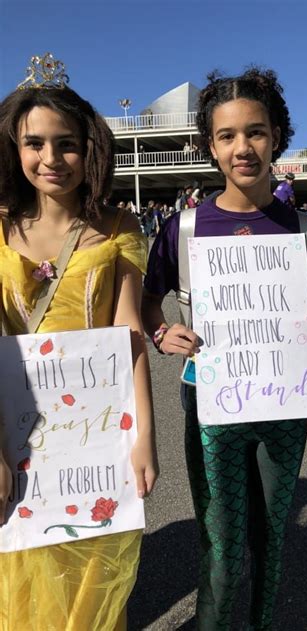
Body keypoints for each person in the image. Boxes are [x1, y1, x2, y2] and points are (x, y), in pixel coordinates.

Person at [142, 67, 307, 631]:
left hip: (283, 407)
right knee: (224, 547)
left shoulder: (303, 230)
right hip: (212, 405)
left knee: (268, 540)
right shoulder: (182, 228)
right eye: (227, 136)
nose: (242, 147)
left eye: (255, 132)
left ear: (276, 135)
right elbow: (149, 305)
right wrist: (161, 333)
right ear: (210, 145)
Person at [0, 53, 158, 630]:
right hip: (18, 431)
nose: (50, 159)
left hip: (94, 434)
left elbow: (129, 334)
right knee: (23, 577)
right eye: (33, 143)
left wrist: (145, 434)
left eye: (65, 143)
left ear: (88, 148)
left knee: (91, 580)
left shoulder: (120, 228)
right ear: (14, 149)